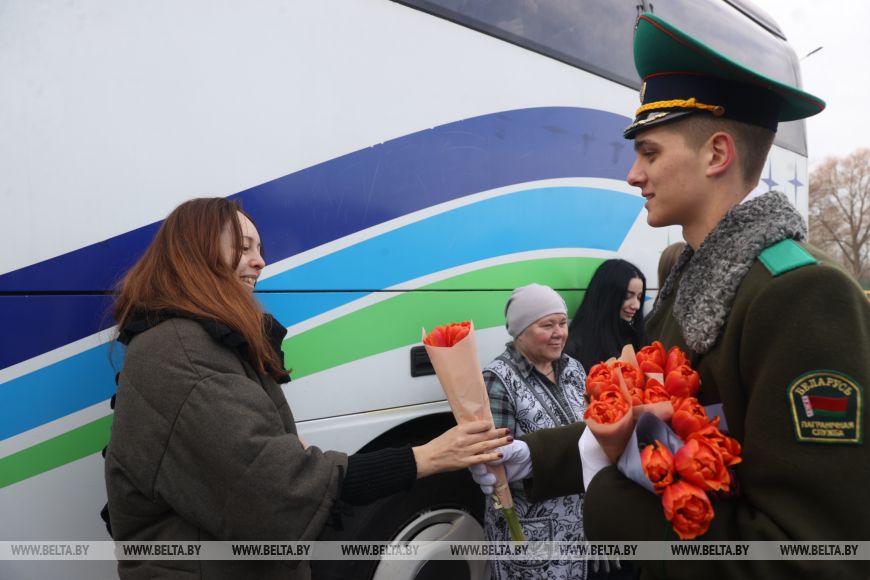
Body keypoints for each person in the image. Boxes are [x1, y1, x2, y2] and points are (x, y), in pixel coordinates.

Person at [473, 13, 870, 580]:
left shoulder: (804, 296)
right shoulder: (697, 280)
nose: (634, 175)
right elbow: (646, 425)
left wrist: (601, 487)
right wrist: (532, 456)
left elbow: (810, 558)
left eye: (651, 153)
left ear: (716, 155)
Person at [103, 197, 510, 580]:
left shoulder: (183, 339)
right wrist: (428, 456)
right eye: (244, 248)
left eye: (259, 249)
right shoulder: (183, 352)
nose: (260, 261)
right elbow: (274, 489)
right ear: (195, 254)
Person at [483, 283, 589, 580]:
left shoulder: (574, 369)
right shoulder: (498, 380)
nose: (560, 332)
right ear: (521, 330)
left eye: (563, 323)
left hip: (578, 527)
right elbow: (495, 465)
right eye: (548, 325)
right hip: (531, 532)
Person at [564, 259, 649, 372]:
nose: (636, 305)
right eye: (628, 296)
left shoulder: (637, 339)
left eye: (639, 297)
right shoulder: (575, 347)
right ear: (608, 296)